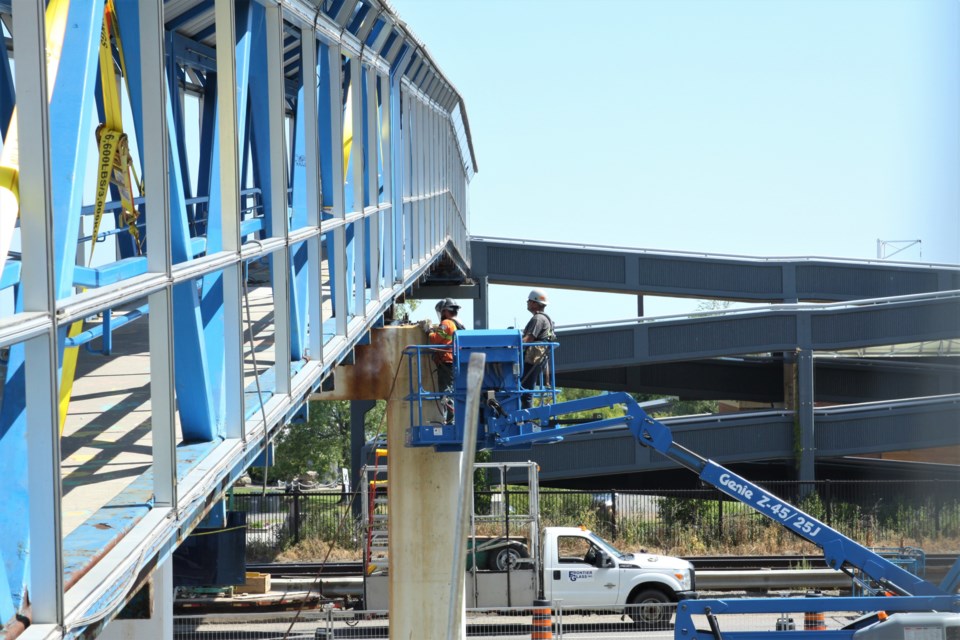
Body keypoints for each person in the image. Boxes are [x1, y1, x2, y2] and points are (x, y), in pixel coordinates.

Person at [428, 298, 464, 422]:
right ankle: (451, 418)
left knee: (445, 392)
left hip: (446, 361)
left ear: (444, 311)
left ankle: (451, 419)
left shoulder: (447, 323)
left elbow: (435, 339)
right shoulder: (458, 324)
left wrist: (429, 331)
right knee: (450, 391)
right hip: (453, 361)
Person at [520, 288, 556, 409]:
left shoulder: (538, 319)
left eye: (529, 301)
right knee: (526, 389)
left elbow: (529, 339)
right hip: (539, 358)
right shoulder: (546, 318)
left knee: (525, 391)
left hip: (534, 358)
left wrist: (512, 344)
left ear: (535, 303)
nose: (527, 303)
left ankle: (526, 419)